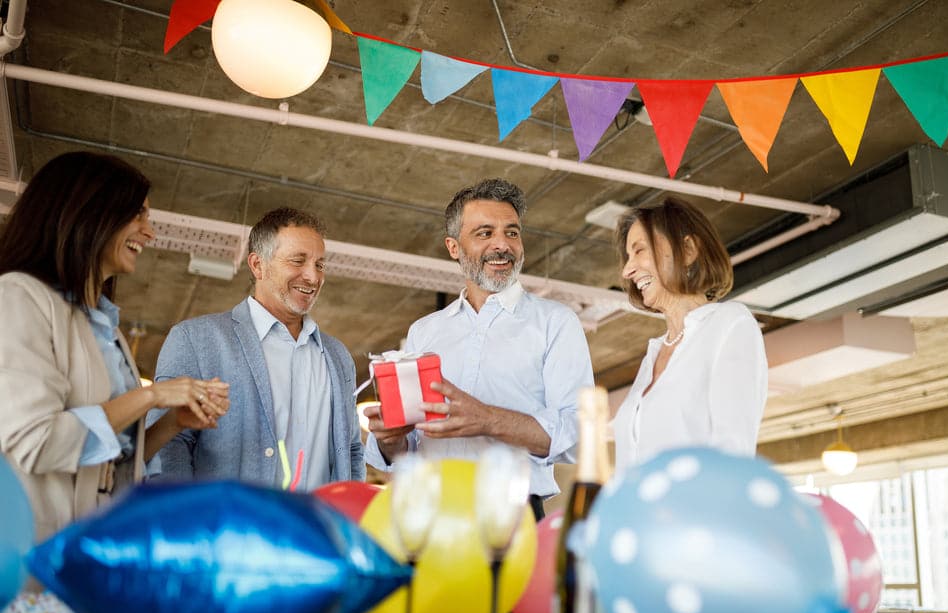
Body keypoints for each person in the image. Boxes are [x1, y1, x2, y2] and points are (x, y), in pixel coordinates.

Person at [0, 151, 230, 544]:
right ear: (91, 212)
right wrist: (151, 396)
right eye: (138, 214)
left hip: (87, 554)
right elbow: (34, 442)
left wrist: (174, 421)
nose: (150, 231)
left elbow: (115, 463)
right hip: (27, 556)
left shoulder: (108, 331)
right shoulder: (19, 299)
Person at [364, 178, 593, 519]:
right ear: (453, 247)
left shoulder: (556, 322)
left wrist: (486, 419)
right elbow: (407, 451)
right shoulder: (424, 332)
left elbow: (578, 435)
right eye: (485, 233)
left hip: (512, 516)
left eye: (512, 232)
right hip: (430, 514)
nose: (502, 245)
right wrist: (389, 438)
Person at [152, 207, 365, 489]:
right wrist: (186, 520)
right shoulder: (194, 339)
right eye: (298, 261)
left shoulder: (338, 356)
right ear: (257, 265)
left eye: (320, 265)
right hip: (227, 529)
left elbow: (350, 449)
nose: (313, 277)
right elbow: (167, 445)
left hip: (314, 529)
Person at [613, 196, 767, 469]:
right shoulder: (654, 354)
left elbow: (734, 456)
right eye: (628, 257)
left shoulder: (730, 325)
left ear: (688, 250)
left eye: (639, 251)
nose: (627, 269)